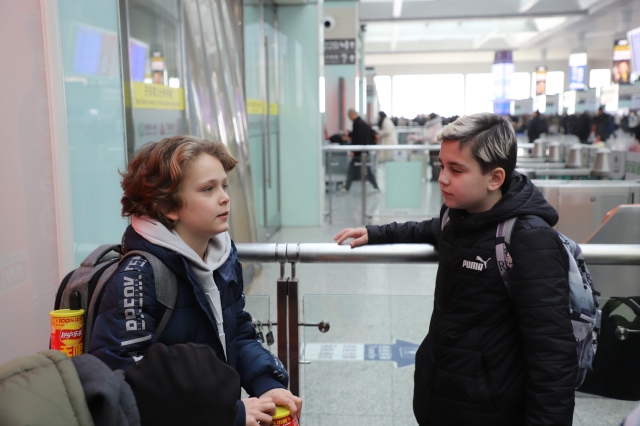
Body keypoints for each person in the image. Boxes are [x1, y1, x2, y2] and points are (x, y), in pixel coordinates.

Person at [334, 113, 576, 425]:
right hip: (441, 392)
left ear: (495, 178)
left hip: (489, 409)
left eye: (456, 169)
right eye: (441, 166)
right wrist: (376, 233)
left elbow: (552, 353)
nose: (443, 178)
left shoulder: (528, 239)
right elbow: (428, 228)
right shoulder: (457, 216)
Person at [89, 135, 302, 426]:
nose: (225, 197)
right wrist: (228, 414)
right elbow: (127, 384)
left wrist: (267, 383)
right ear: (168, 206)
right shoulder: (139, 275)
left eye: (224, 186)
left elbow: (237, 334)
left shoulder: (222, 256)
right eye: (208, 189)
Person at [339, 108, 380, 194]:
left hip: (359, 152)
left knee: (353, 170)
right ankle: (376, 187)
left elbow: (357, 138)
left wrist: (353, 150)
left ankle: (346, 189)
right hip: (362, 151)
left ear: (351, 115)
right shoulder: (361, 122)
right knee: (366, 170)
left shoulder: (357, 123)